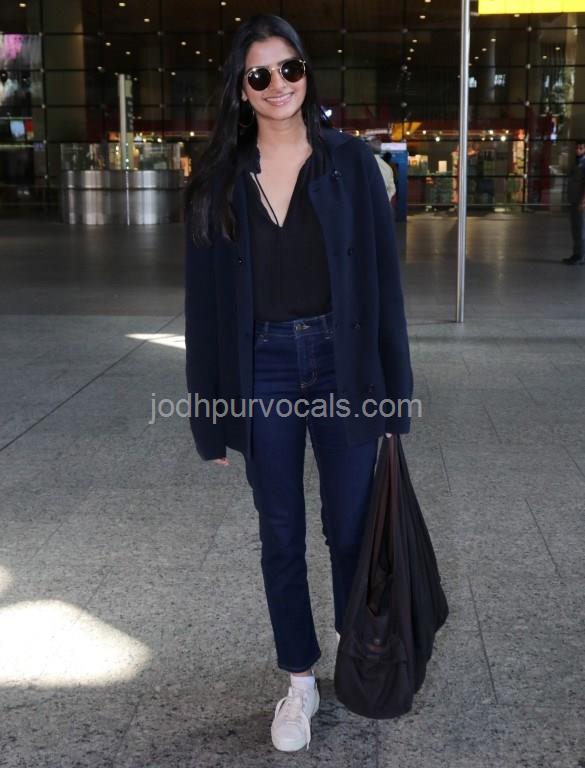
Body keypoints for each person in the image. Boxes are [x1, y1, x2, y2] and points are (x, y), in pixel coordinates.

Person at [184, 14, 413, 753]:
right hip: (264, 368)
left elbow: (382, 287)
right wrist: (210, 417)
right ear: (241, 88)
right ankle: (300, 679)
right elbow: (204, 307)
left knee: (349, 525)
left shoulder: (351, 164)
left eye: (290, 68)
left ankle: (356, 649)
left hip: (343, 364)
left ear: (306, 74)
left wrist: (393, 395)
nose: (278, 84)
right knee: (279, 529)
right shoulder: (219, 177)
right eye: (260, 74)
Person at [563, 139, 585, 265]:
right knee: (575, 228)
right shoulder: (576, 163)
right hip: (574, 200)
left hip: (581, 202)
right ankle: (576, 254)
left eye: (581, 148)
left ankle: (580, 256)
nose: (578, 150)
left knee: (581, 229)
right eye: (577, 148)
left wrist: (583, 201)